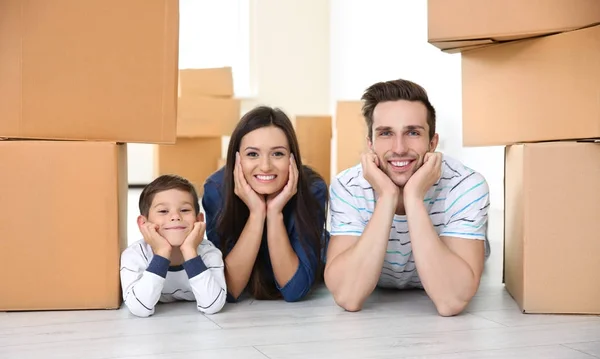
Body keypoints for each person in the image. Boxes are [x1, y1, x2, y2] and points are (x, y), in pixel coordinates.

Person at [325, 79, 490, 317]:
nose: (399, 148)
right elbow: (348, 296)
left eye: (412, 132)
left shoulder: (466, 186)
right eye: (385, 133)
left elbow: (451, 301)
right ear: (370, 144)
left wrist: (413, 197)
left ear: (432, 142)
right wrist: (388, 196)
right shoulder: (348, 186)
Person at [202, 106, 329, 302]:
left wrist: (275, 212)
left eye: (277, 154)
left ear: (291, 158)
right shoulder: (217, 190)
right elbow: (228, 290)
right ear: (237, 159)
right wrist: (257, 213)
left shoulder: (312, 189)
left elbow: (295, 290)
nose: (265, 166)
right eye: (253, 154)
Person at [120, 174, 227, 317]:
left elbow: (213, 305)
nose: (175, 216)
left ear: (199, 219)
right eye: (163, 211)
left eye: (184, 210)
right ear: (144, 223)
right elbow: (140, 308)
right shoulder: (135, 255)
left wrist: (190, 251)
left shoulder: (209, 253)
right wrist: (162, 253)